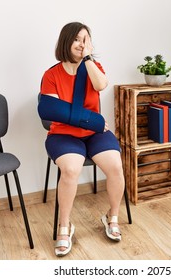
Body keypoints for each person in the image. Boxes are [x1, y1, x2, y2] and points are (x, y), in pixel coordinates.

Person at [39, 22, 125, 257]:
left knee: (116, 165)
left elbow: (101, 85)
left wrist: (88, 59)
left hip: (95, 134)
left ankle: (112, 216)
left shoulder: (93, 67)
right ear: (66, 41)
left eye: (86, 39)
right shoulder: (51, 75)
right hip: (63, 135)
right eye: (77, 39)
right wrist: (89, 119)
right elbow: (50, 111)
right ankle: (64, 226)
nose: (81, 43)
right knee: (71, 169)